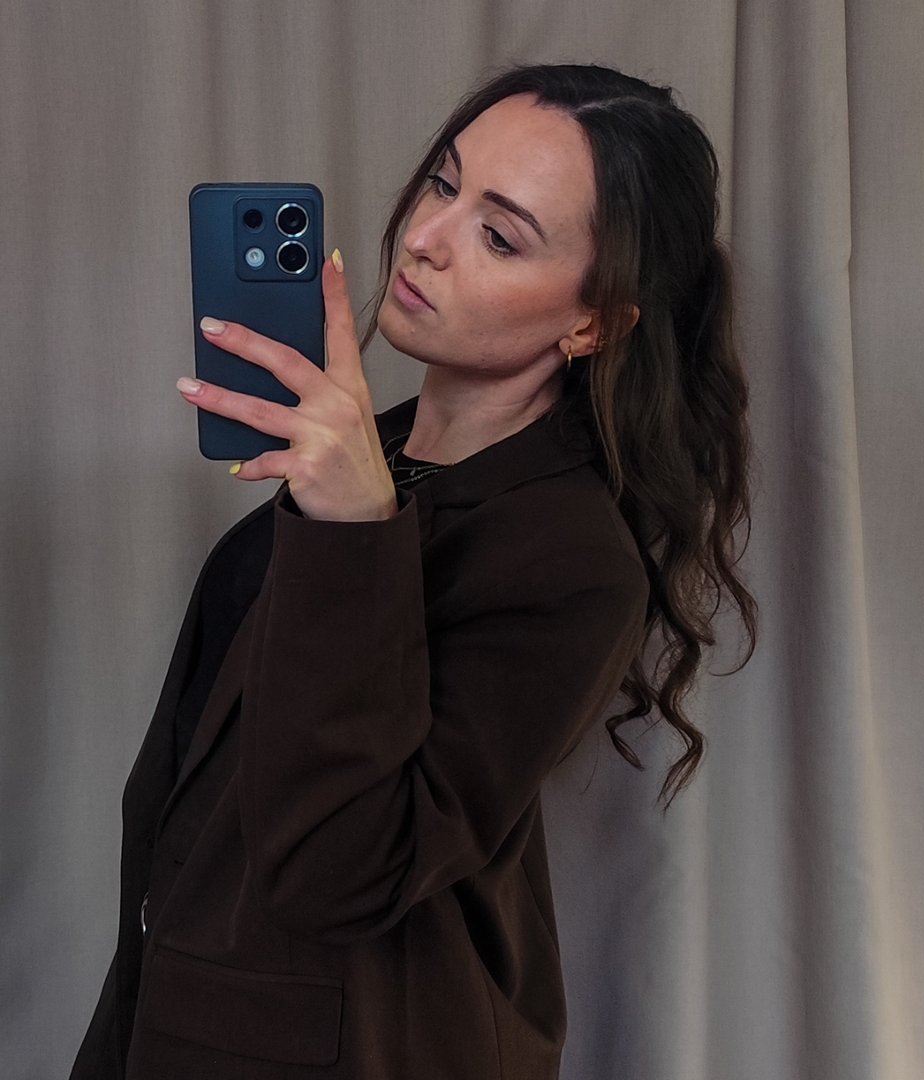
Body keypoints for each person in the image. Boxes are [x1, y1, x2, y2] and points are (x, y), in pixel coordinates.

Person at [70, 63, 757, 1079]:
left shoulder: (572, 559)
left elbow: (341, 869)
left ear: (592, 323)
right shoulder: (372, 449)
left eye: (499, 236)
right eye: (444, 182)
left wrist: (355, 529)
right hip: (181, 1007)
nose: (428, 237)